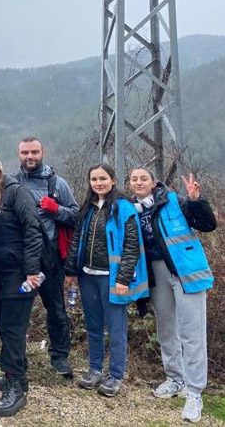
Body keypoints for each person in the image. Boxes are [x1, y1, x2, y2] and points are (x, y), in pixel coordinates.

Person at [129, 169, 216, 424]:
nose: (138, 182)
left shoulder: (174, 201)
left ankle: (195, 391)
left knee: (192, 332)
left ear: (153, 183)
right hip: (156, 274)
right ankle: (175, 378)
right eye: (133, 179)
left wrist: (196, 201)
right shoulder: (131, 210)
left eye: (143, 178)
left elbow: (208, 225)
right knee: (166, 328)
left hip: (185, 271)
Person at [64, 163, 148, 398]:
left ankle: (116, 375)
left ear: (112, 180)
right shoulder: (88, 208)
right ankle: (95, 369)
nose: (98, 183)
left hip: (112, 278)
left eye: (103, 178)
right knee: (93, 326)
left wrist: (123, 278)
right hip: (87, 275)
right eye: (94, 179)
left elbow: (132, 246)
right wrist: (70, 271)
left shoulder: (124, 208)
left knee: (116, 328)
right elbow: (76, 241)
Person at [0, 151, 43, 418]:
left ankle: (15, 387)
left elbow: (32, 230)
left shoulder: (17, 193)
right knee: (5, 326)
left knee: (13, 329)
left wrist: (31, 271)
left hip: (19, 273)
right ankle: (17, 375)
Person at [12, 136, 79, 377]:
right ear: (19, 154)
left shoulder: (57, 184)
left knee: (56, 309)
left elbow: (76, 216)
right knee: (18, 311)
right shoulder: (11, 183)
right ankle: (14, 356)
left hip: (50, 258)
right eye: (25, 152)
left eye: (34, 152)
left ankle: (60, 357)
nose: (29, 157)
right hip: (21, 258)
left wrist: (56, 209)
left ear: (43, 152)